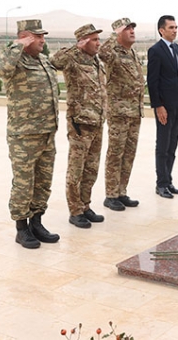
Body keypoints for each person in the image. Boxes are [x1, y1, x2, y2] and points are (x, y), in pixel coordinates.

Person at [0, 19, 61, 249]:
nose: (42, 40)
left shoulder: (43, 61)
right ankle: (21, 229)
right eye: (37, 36)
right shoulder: (14, 61)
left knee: (43, 182)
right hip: (24, 136)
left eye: (43, 36)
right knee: (24, 183)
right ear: (24, 37)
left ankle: (37, 222)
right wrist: (17, 45)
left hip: (46, 133)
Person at [52, 24, 107, 228]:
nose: (98, 43)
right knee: (76, 169)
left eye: (98, 39)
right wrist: (76, 47)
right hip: (80, 124)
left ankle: (85, 205)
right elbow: (54, 61)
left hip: (97, 121)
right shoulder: (73, 59)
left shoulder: (96, 61)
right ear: (83, 41)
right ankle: (75, 211)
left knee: (91, 169)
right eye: (93, 40)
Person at [98, 17, 145, 212]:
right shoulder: (113, 53)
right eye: (127, 29)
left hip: (134, 112)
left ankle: (121, 191)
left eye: (133, 28)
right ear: (119, 33)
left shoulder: (131, 52)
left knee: (129, 154)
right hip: (119, 113)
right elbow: (101, 52)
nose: (132, 31)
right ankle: (111, 195)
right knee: (116, 154)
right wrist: (113, 35)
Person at [147, 15, 178, 199]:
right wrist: (158, 106)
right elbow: (152, 81)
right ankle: (161, 184)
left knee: (172, 145)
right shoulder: (155, 50)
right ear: (161, 30)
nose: (175, 30)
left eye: (176, 27)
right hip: (164, 106)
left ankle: (169, 181)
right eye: (171, 27)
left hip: (176, 104)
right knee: (162, 146)